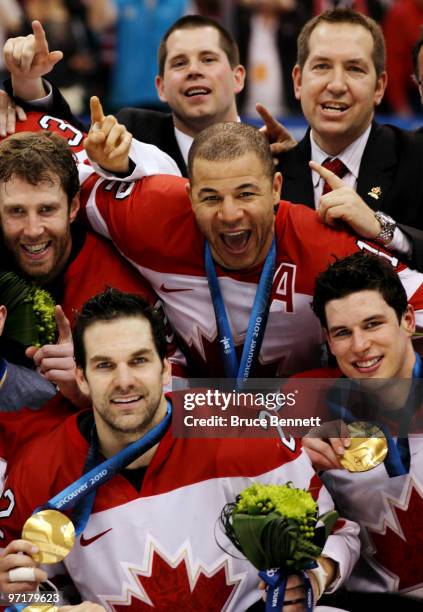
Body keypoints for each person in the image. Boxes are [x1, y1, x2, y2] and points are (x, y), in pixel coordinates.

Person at [0, 288, 360, 611]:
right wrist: (49, 607)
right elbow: (19, 594)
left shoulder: (243, 429)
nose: (124, 380)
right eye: (105, 365)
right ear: (81, 376)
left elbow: (338, 532)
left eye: (139, 360)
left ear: (165, 370)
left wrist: (315, 577)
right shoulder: (39, 469)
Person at [79, 120, 423, 380]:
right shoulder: (150, 213)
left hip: (303, 424)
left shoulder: (324, 242)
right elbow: (51, 194)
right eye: (210, 197)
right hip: (186, 421)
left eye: (246, 194)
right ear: (188, 196)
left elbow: (415, 305)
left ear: (276, 189)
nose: (230, 215)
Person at [1, 17, 294, 176]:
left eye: (208, 59)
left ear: (238, 77)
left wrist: (294, 160)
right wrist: (26, 79)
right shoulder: (131, 131)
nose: (193, 70)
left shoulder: (273, 155)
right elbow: (69, 143)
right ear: (161, 87)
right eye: (179, 63)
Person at [298, 252, 423, 607]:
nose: (360, 346)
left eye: (373, 324)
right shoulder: (310, 415)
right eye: (342, 332)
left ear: (408, 320)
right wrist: (297, 466)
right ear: (327, 340)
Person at [276, 8, 423, 270]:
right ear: (298, 81)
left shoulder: (417, 157)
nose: (336, 85)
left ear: (379, 87)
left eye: (354, 69)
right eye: (322, 66)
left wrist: (383, 230)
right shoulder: (270, 172)